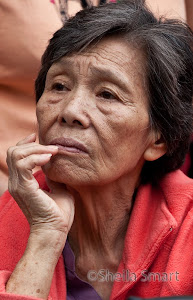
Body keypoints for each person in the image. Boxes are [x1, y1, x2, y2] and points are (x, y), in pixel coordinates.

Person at [0, 0, 193, 299]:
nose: (70, 110)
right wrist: (45, 235)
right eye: (59, 86)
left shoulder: (187, 226)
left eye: (107, 94)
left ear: (158, 140)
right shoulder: (7, 220)